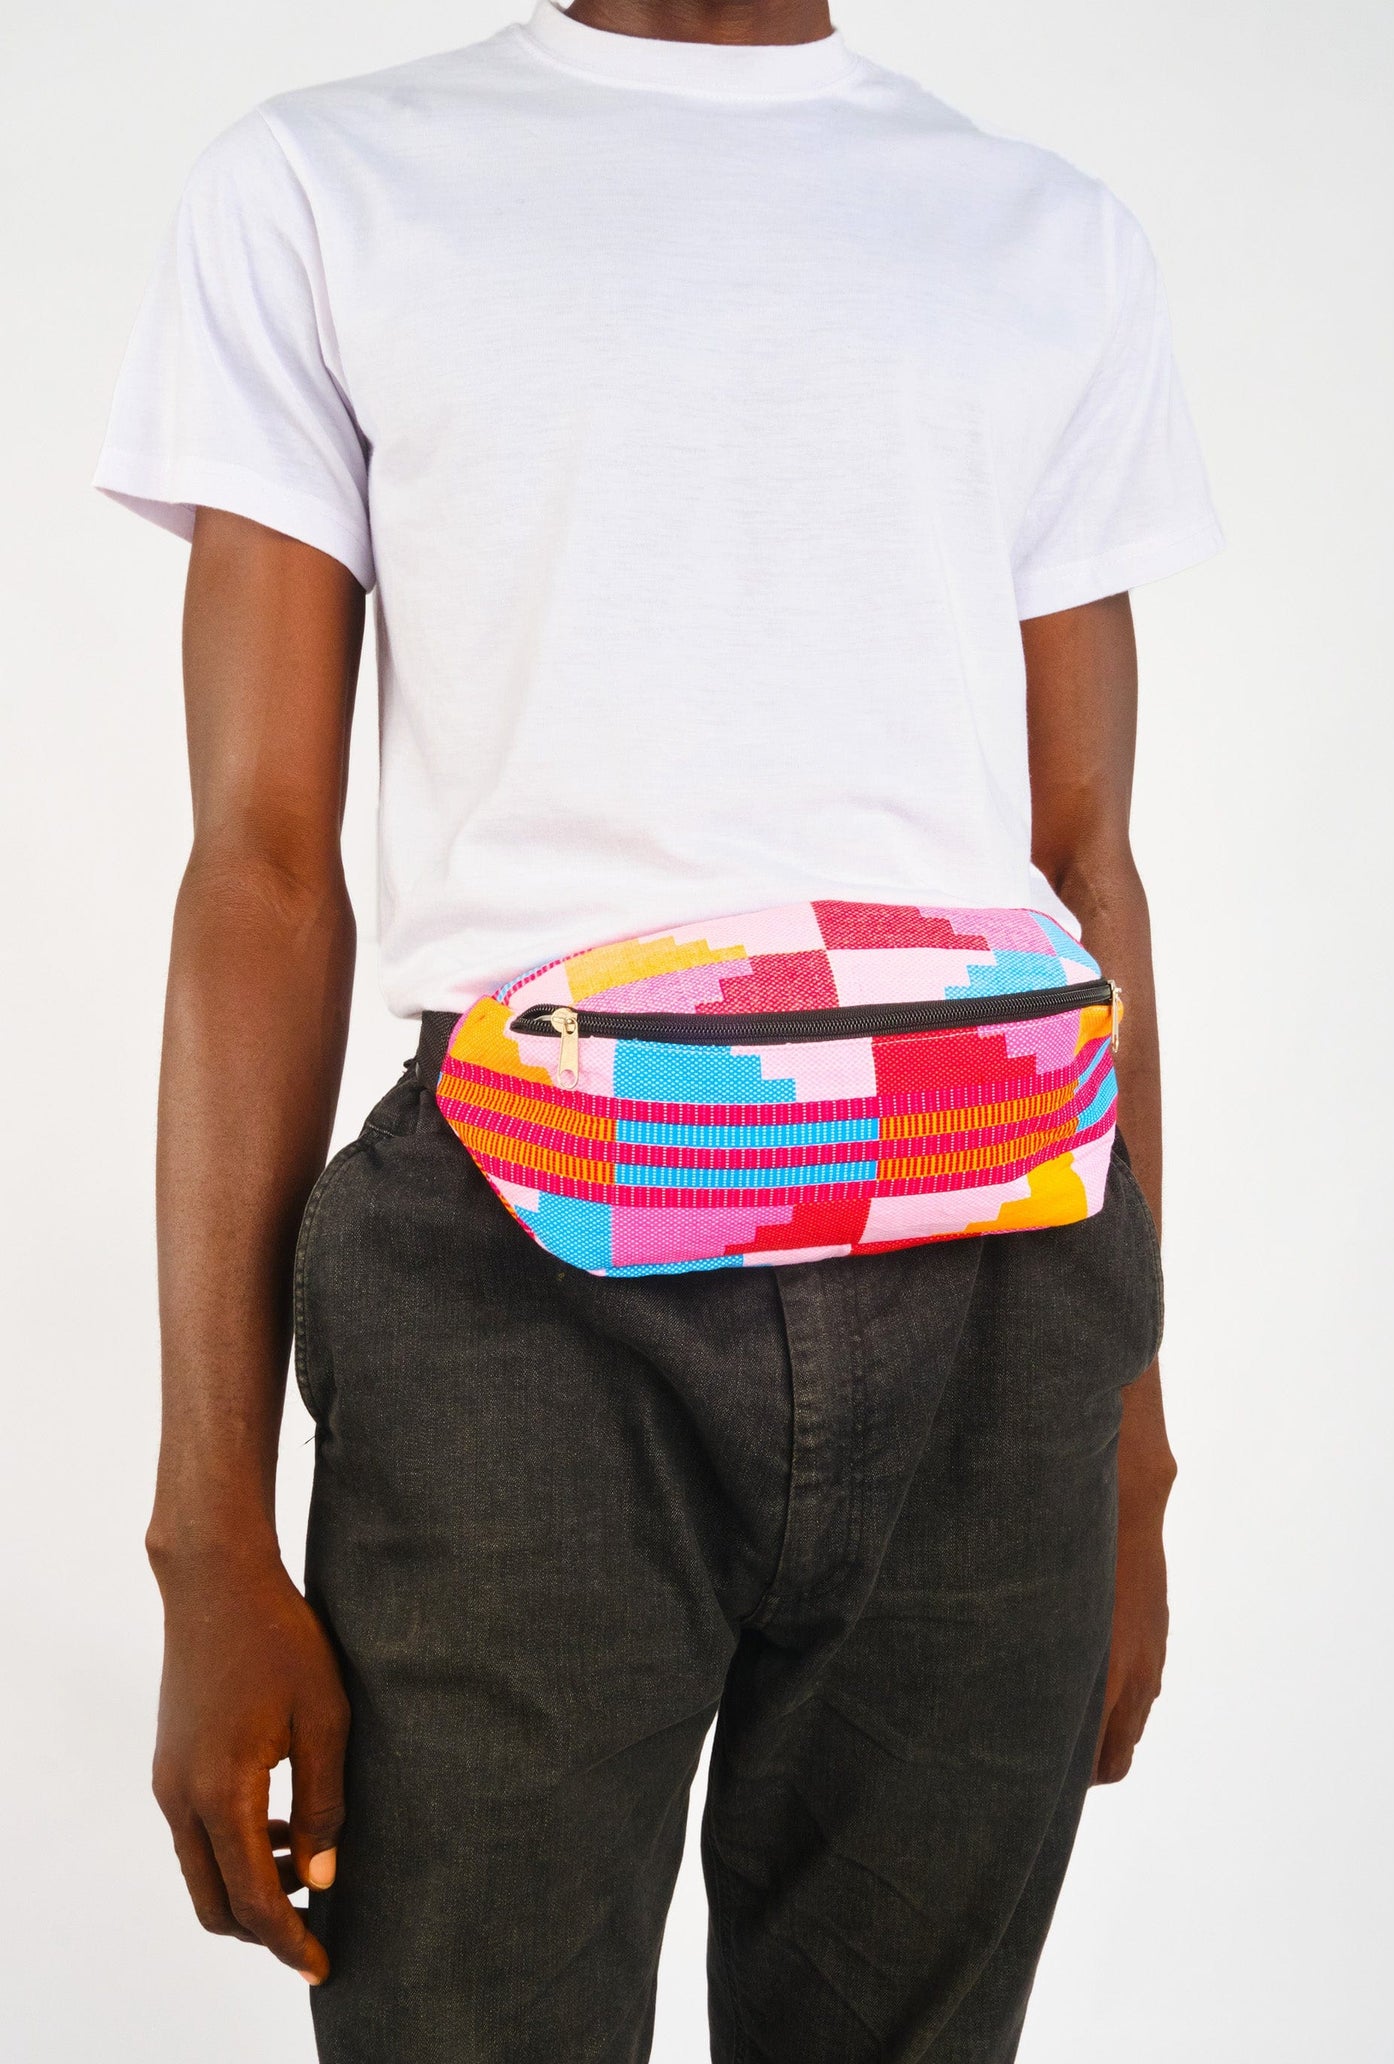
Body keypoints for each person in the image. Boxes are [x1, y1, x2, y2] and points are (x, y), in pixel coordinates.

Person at [95, 2, 1222, 2057]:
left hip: (1007, 1291)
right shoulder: (328, 187)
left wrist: (1127, 1442)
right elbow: (257, 865)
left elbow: (1088, 865)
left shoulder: (1043, 233)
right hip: (521, 1275)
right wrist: (205, 1536)